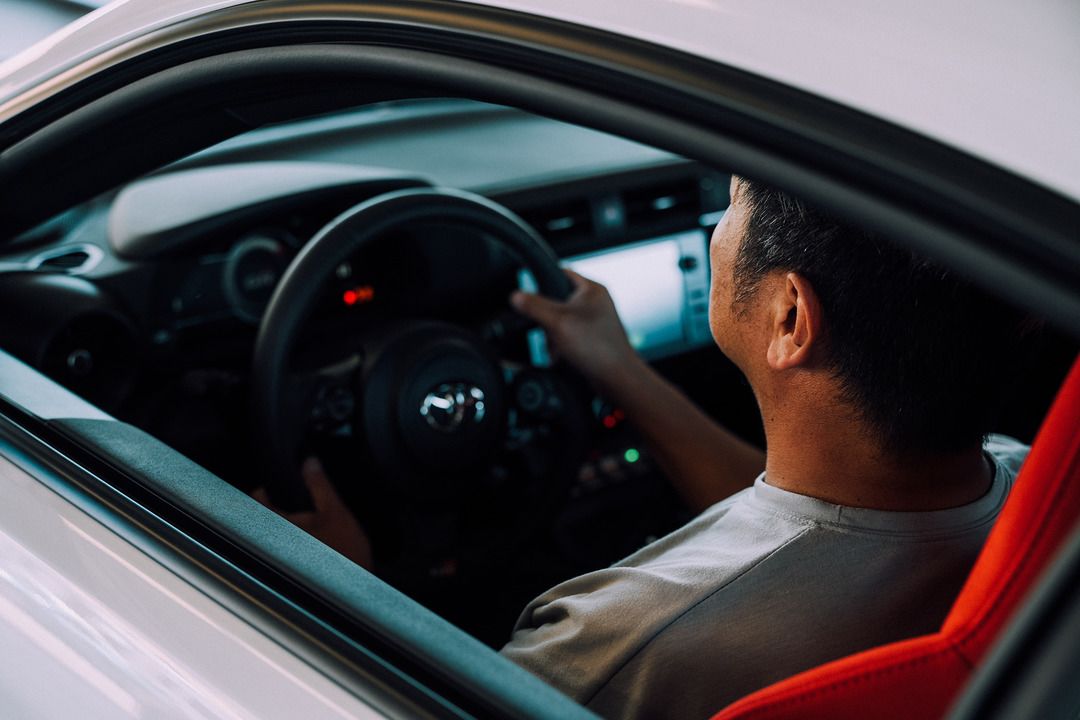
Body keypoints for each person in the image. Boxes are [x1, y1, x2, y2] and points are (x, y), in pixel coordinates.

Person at [259, 175, 1035, 719]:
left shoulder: (618, 650)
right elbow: (824, 532)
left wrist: (340, 591)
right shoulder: (1036, 488)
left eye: (731, 204)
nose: (717, 226)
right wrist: (622, 371)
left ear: (790, 317)